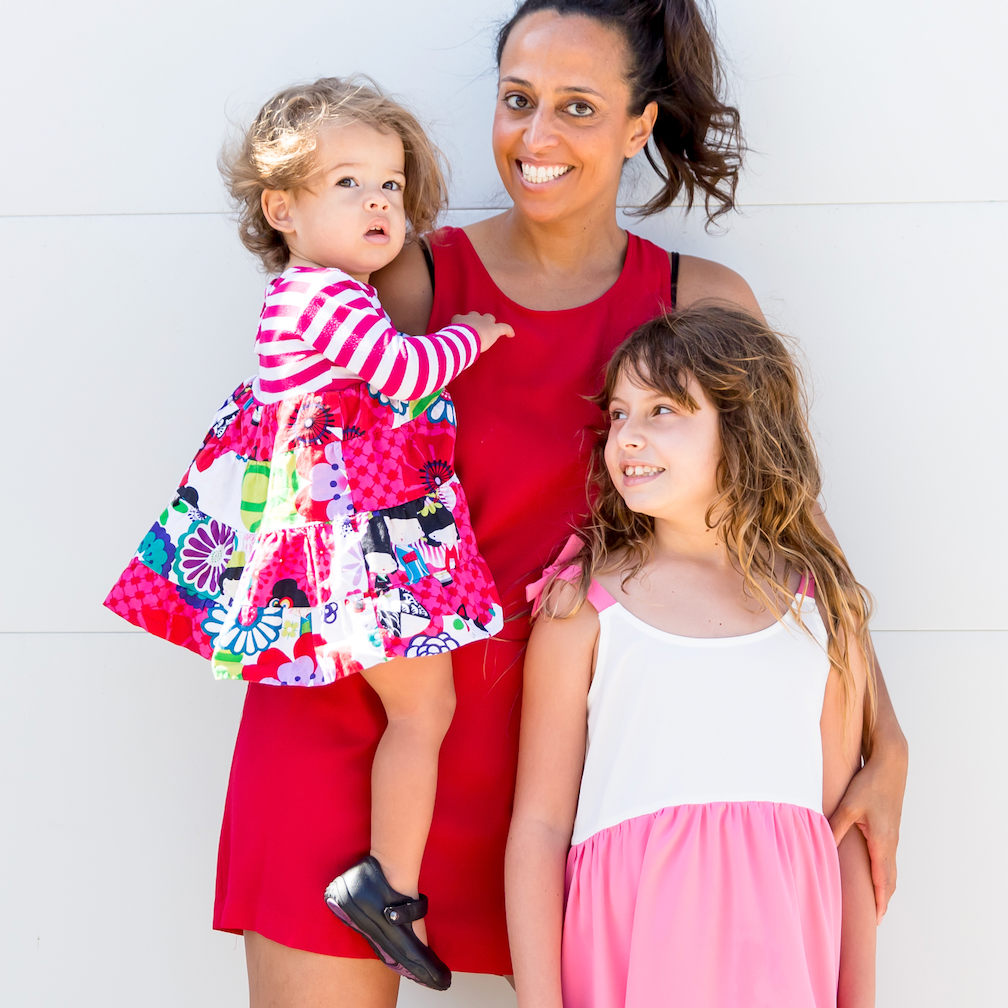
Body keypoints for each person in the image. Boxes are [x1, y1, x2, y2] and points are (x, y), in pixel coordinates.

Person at [185, 3, 907, 1004]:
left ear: (639, 124)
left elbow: (800, 540)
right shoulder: (405, 278)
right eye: (518, 100)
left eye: (577, 106)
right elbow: (289, 449)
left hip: (570, 785)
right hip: (360, 732)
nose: (536, 137)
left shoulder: (700, 301)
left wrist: (888, 739)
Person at [103, 77, 516, 991]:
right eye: (348, 184)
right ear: (280, 208)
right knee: (423, 709)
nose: (379, 203)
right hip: (359, 542)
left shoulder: (338, 294)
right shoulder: (319, 299)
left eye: (391, 186)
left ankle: (389, 886)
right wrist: (473, 337)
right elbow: (404, 373)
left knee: (422, 708)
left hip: (359, 528)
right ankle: (385, 889)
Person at [508, 306, 878, 1008]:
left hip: (782, 955)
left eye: (662, 410)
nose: (628, 437)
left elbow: (845, 826)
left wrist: (857, 996)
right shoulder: (583, 605)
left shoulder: (819, 607)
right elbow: (540, 826)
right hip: (632, 950)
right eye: (618, 414)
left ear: (739, 429)